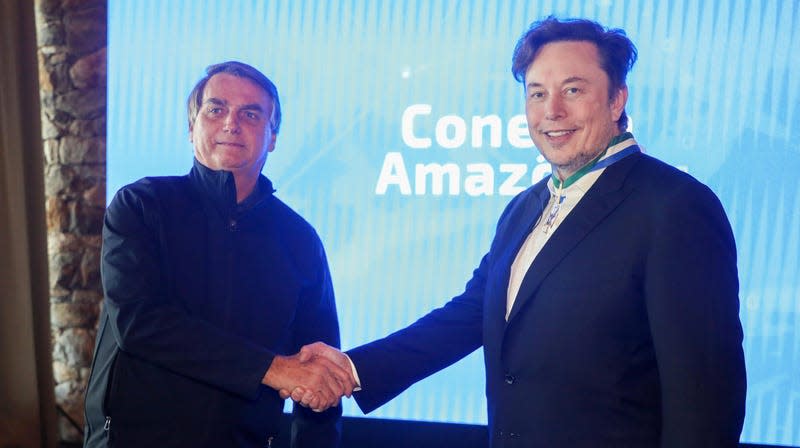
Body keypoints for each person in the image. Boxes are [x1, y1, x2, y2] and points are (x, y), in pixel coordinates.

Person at [290, 17, 747, 447]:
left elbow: (705, 393)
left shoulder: (674, 205)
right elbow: (470, 314)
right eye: (537, 93)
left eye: (573, 89)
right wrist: (352, 368)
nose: (553, 111)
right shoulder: (526, 206)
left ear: (617, 99)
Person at [83, 61, 354, 447]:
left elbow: (318, 365)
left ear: (272, 137)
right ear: (191, 127)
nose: (231, 123)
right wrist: (274, 370)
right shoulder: (141, 205)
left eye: (251, 113)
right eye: (216, 109)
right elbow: (140, 323)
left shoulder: (300, 240)